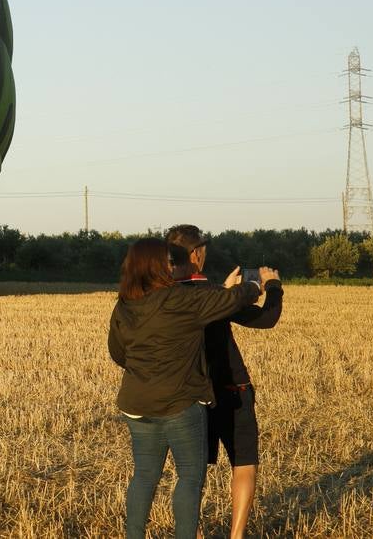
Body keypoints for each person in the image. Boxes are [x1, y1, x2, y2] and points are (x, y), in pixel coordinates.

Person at [108, 238, 266, 539]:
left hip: (135, 403)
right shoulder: (180, 300)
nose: (174, 265)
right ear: (157, 266)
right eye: (168, 261)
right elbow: (231, 302)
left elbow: (118, 353)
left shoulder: (125, 304)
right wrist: (257, 286)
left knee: (144, 475)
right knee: (190, 477)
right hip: (179, 403)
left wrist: (146, 369)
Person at [166, 224, 283, 539]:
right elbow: (266, 319)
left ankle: (190, 530)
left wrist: (225, 290)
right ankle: (236, 535)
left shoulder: (163, 297)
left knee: (191, 473)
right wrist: (272, 286)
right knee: (244, 462)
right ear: (197, 254)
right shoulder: (214, 296)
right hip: (232, 389)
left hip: (188, 395)